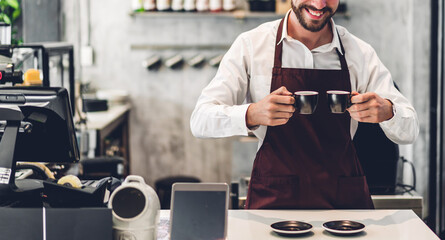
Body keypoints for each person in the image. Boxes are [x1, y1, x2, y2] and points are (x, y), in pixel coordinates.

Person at [190, 0, 419, 209]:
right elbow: (200, 120)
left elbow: (410, 129)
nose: (319, 4)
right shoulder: (252, 46)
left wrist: (388, 111)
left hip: (343, 202)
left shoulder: (360, 52)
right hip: (274, 199)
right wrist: (251, 114)